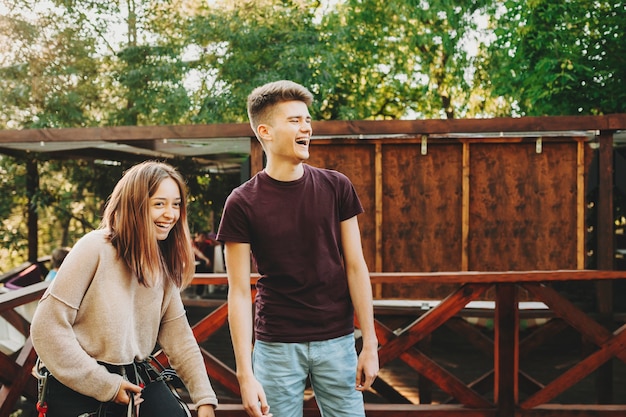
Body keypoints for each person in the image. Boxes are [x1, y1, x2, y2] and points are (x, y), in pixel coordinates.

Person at [216, 80, 379, 417]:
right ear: (266, 131)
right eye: (294, 121)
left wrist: (370, 344)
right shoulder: (242, 202)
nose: (306, 127)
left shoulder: (337, 187)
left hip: (338, 340)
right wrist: (244, 374)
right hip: (275, 345)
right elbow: (237, 291)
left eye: (307, 120)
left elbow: (355, 266)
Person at [30, 161, 218, 417]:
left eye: (176, 204)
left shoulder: (160, 261)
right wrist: (104, 384)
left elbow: (180, 338)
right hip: (80, 383)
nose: (170, 214)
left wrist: (205, 399)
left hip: (133, 378)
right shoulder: (94, 247)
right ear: (135, 205)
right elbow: (46, 328)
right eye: (159, 204)